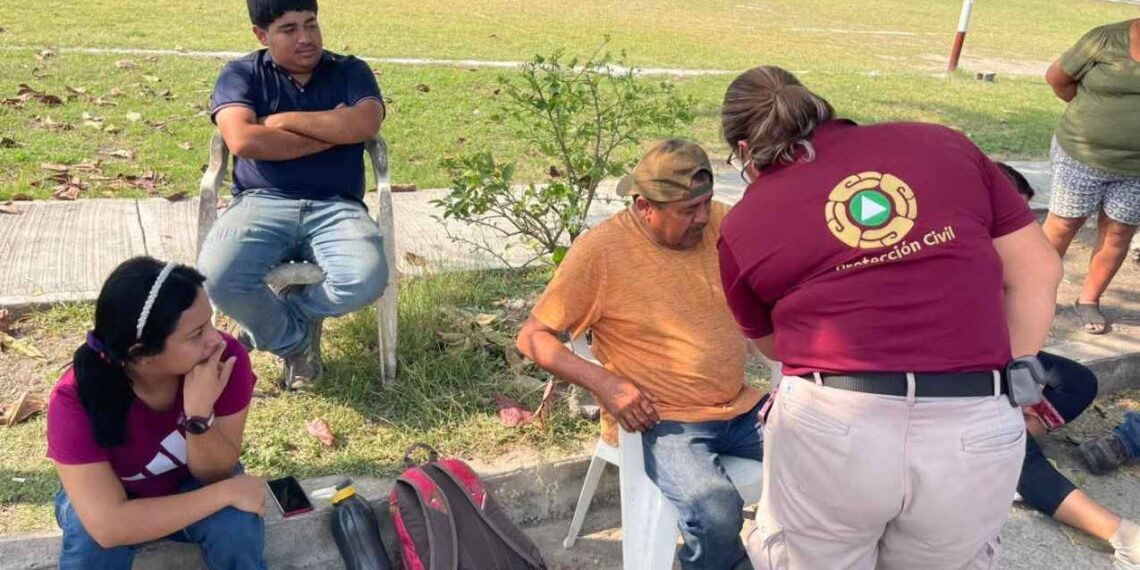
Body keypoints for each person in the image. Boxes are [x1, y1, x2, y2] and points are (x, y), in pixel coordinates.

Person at [718, 66, 1062, 569]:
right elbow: (1039, 271)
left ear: (745, 150)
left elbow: (774, 347)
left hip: (834, 424)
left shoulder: (745, 221)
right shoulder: (941, 145)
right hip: (971, 420)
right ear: (822, 108)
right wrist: (1011, 377)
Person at [516, 139, 763, 570]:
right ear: (644, 206)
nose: (703, 218)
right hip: (663, 420)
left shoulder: (721, 222)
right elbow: (533, 336)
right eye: (688, 211)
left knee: (833, 454)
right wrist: (606, 384)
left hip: (740, 406)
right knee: (716, 512)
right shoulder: (601, 251)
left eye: (705, 203)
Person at [198, 0, 388, 388]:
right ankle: (294, 340)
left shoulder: (350, 70)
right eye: (289, 30)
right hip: (260, 202)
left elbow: (366, 122)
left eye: (311, 25)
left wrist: (282, 121)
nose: (306, 38)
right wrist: (334, 131)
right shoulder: (241, 74)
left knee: (365, 279)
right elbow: (245, 140)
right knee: (217, 279)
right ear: (261, 35)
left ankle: (279, 319)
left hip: (337, 207)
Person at [46, 257, 265, 569]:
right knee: (90, 541)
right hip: (115, 497)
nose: (216, 339)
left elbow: (214, 475)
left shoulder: (225, 362)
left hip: (191, 483)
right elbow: (109, 527)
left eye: (210, 322)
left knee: (236, 526)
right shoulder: (73, 400)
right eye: (197, 333)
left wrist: (199, 416)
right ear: (141, 354)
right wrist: (226, 493)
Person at [1042, 18, 1140, 334]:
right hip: (1082, 154)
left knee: (1119, 232)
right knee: (1063, 224)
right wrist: (1092, 113)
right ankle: (1035, 292)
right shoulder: (1105, 40)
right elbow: (1058, 78)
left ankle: (1088, 300)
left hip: (1136, 168)